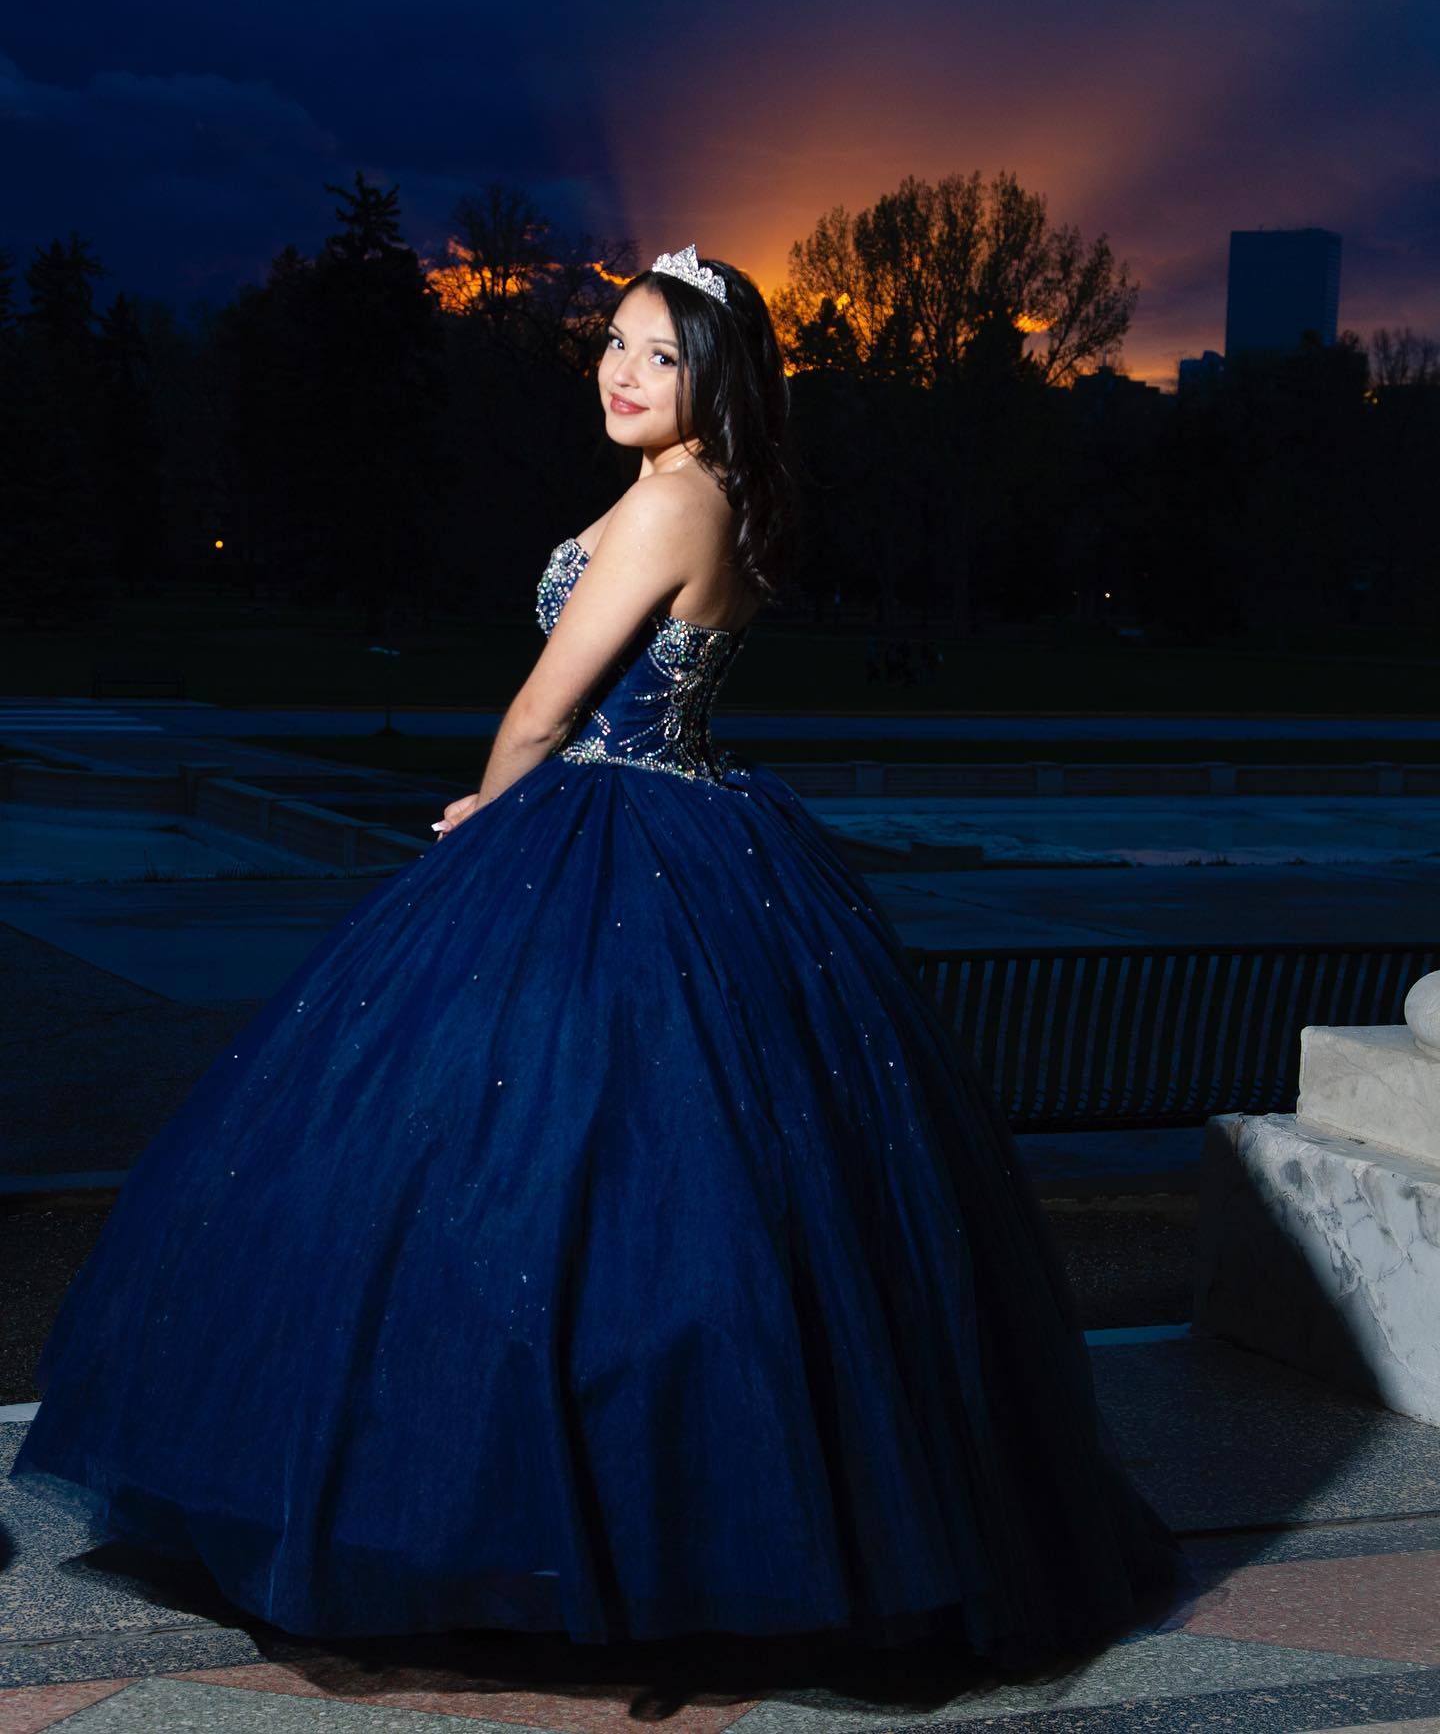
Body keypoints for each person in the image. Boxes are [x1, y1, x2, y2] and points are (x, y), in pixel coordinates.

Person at [8, 244, 1186, 1664]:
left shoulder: (673, 503)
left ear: (718, 380)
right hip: (687, 825)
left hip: (606, 821)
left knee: (521, 1172)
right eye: (616, 345)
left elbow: (541, 709)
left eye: (661, 354)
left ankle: (523, 1519)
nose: (625, 373)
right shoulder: (707, 497)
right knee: (647, 1179)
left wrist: (484, 821)